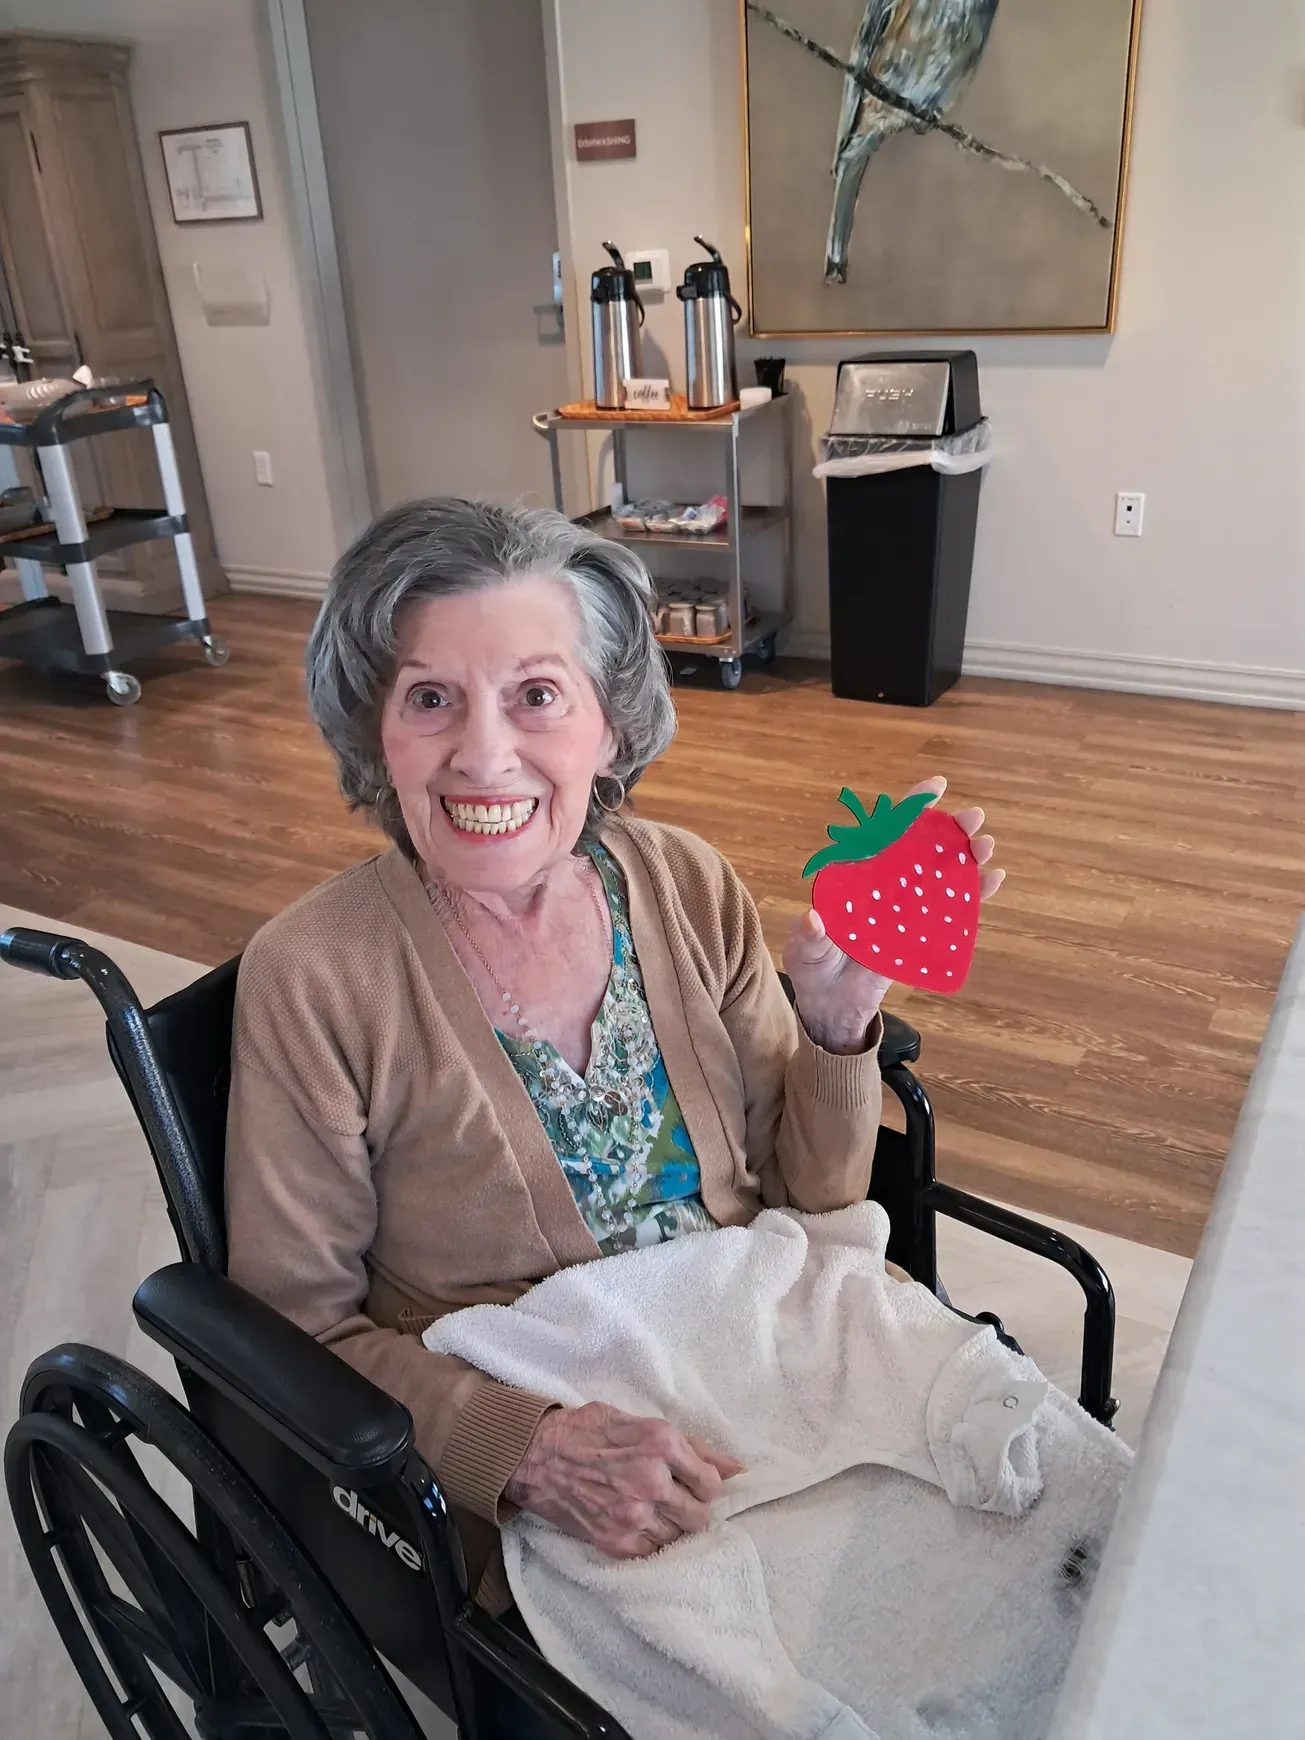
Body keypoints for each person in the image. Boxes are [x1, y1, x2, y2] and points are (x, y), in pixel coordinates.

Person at [226, 498, 1004, 1612]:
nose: (483, 755)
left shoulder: (684, 880)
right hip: (565, 1442)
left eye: (537, 694)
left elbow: (814, 1194)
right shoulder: (314, 974)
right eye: (431, 698)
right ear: (375, 730)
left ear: (612, 727)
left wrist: (836, 1023)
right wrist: (527, 1449)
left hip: (763, 1341)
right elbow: (294, 1334)